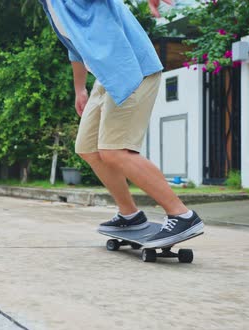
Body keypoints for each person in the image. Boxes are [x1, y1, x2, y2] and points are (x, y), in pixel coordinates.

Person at [39, 0, 204, 247]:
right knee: (88, 148)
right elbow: (75, 47)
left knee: (114, 151)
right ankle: (130, 215)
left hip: (133, 68)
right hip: (106, 76)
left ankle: (182, 215)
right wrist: (79, 89)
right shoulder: (50, 5)